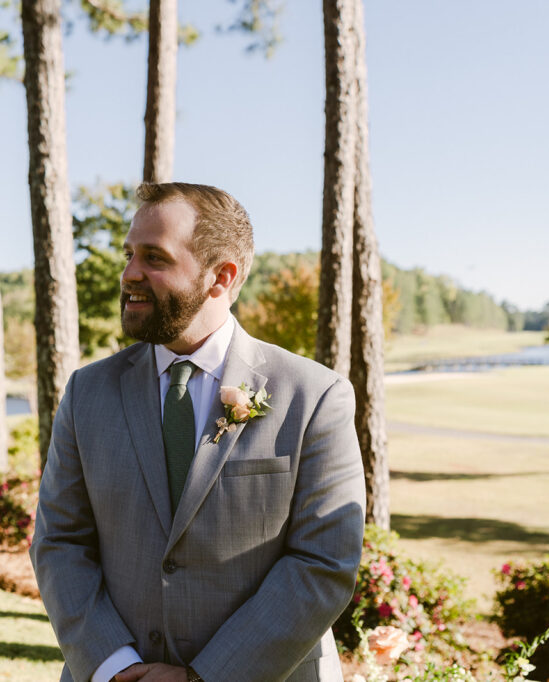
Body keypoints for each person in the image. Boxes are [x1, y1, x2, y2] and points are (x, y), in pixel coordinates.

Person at [30, 182, 366, 682]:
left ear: (221, 277)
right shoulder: (87, 393)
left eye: (154, 257)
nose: (129, 274)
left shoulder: (315, 396)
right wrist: (114, 666)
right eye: (129, 255)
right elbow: (59, 542)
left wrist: (204, 677)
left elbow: (322, 563)